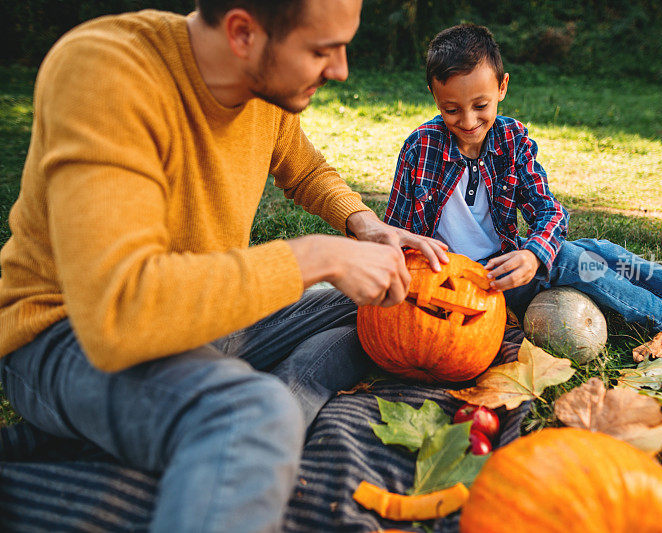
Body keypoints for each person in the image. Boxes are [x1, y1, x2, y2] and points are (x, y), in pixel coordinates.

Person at [0, 1, 449, 531]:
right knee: (248, 417)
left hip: (209, 322)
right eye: (321, 50)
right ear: (242, 33)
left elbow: (302, 167)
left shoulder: (263, 89)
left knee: (378, 306)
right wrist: (315, 255)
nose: (341, 70)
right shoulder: (107, 71)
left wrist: (362, 225)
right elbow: (118, 315)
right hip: (66, 339)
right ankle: (246, 427)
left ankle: (244, 425)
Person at [385, 23, 662, 362]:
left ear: (502, 88)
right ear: (434, 98)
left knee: (599, 250)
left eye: (480, 105)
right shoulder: (421, 147)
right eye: (451, 109)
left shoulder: (512, 139)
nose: (469, 120)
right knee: (568, 256)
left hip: (510, 265)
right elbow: (396, 231)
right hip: (459, 284)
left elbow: (550, 213)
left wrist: (532, 254)